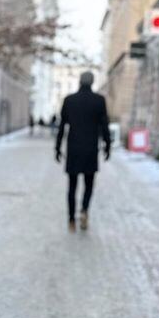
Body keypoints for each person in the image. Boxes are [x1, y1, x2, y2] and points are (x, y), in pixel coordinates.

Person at [55, 71, 111, 231]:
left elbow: (62, 127)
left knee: (72, 186)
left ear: (80, 82)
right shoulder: (99, 101)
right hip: (90, 149)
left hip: (73, 148)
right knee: (89, 184)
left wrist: (57, 147)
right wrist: (107, 145)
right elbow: (104, 126)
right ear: (92, 82)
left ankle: (71, 220)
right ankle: (84, 210)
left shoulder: (69, 100)